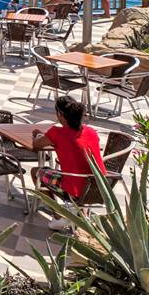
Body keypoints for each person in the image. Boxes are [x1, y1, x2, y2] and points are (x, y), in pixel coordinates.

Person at [30, 95, 107, 231]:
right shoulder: (90, 131)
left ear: (60, 114)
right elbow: (78, 146)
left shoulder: (56, 133)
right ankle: (82, 213)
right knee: (74, 172)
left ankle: (58, 217)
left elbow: (36, 144)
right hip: (98, 188)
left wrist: (38, 135)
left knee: (36, 172)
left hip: (75, 190)